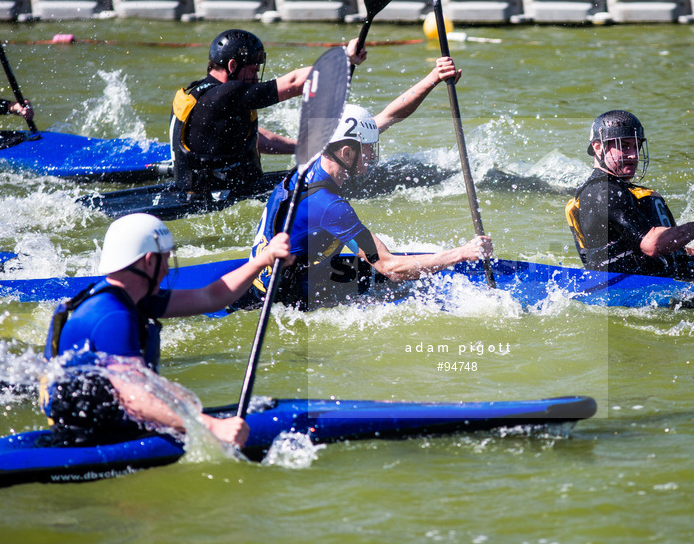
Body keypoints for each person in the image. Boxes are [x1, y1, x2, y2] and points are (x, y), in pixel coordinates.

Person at [41, 213, 294, 448]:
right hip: (94, 439)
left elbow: (211, 297)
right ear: (150, 261)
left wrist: (264, 258)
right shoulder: (113, 316)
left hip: (107, 424)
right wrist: (213, 427)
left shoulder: (131, 297)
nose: (167, 268)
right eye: (166, 258)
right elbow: (134, 398)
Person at [246, 99, 492, 311]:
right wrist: (460, 254)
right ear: (346, 153)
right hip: (285, 299)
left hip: (270, 277)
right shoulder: (330, 207)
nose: (373, 156)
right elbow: (389, 267)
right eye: (367, 149)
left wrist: (434, 78)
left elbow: (388, 117)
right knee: (407, 285)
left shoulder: (314, 160)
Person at [169, 28, 367, 195]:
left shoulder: (199, 92)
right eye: (254, 71)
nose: (256, 78)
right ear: (232, 66)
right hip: (221, 198)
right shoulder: (228, 93)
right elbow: (295, 83)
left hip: (198, 192)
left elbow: (252, 137)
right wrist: (345, 58)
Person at [565, 110, 694, 276]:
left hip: (658, 277)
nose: (634, 154)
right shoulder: (604, 192)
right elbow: (652, 245)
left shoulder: (621, 191)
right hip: (631, 288)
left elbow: (634, 250)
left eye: (636, 146)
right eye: (624, 146)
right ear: (598, 147)